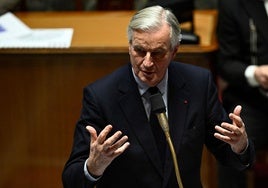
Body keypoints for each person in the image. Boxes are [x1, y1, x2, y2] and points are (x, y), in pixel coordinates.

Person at [62, 5, 255, 188]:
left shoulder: (198, 84)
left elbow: (230, 157)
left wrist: (240, 145)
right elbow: (72, 179)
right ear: (129, 46)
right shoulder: (101, 95)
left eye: (157, 53)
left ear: (174, 51)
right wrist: (93, 167)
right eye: (139, 51)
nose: (146, 63)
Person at [216, 0, 268, 187]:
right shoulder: (233, 4)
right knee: (232, 144)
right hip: (252, 99)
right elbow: (226, 63)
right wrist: (255, 74)